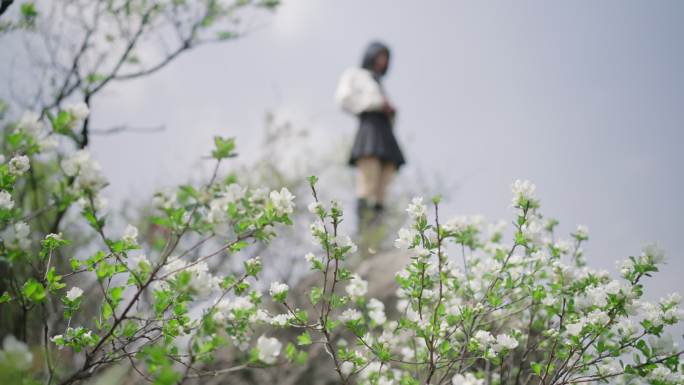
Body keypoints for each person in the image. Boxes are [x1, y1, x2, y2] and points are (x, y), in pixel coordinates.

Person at [335, 41, 406, 229]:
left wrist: (390, 111)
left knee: (384, 184)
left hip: (385, 132)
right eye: (380, 56)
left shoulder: (378, 82)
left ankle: (377, 231)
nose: (382, 61)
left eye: (386, 58)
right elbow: (343, 99)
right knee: (369, 181)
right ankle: (365, 232)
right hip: (369, 130)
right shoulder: (355, 75)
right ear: (371, 55)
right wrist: (374, 103)